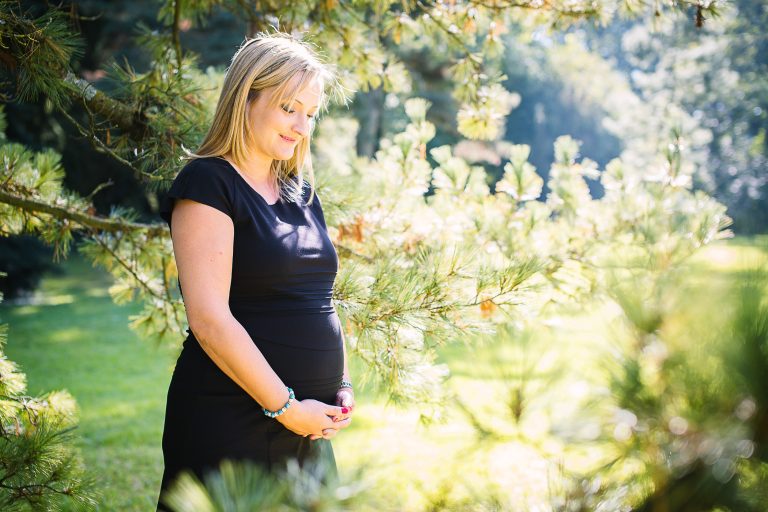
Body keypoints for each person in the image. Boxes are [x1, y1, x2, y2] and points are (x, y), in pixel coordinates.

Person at [156, 33, 355, 510]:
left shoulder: (300, 190)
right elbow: (209, 320)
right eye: (290, 108)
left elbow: (321, 298)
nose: (302, 126)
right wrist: (287, 408)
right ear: (247, 98)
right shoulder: (208, 183)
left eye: (310, 113)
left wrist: (341, 383)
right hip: (229, 418)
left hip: (308, 427)